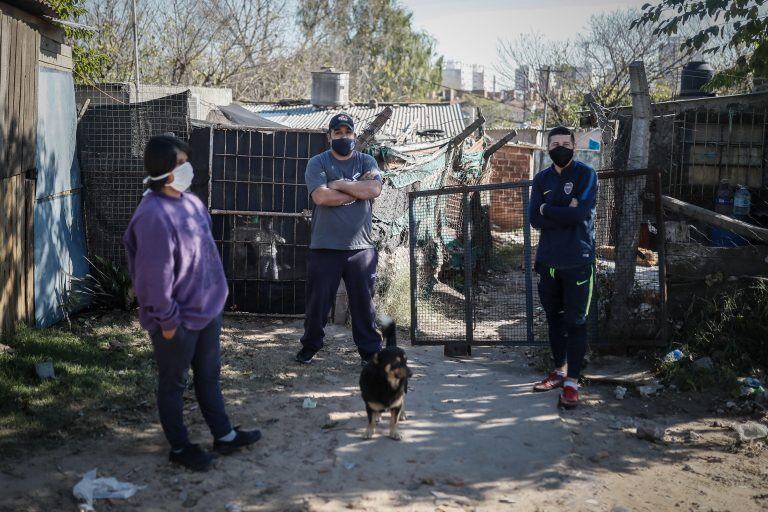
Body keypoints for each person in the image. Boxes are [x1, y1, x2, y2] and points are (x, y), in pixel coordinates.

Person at [123, 134, 260, 471]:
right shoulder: (152, 216)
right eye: (182, 164)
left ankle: (224, 436)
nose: (188, 169)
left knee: (209, 377)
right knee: (174, 384)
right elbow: (153, 279)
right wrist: (168, 324)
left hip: (207, 311)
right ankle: (180, 448)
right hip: (178, 321)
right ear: (166, 173)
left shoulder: (191, 202)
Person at [295, 113, 384, 365]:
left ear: (354, 136)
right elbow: (321, 198)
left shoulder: (366, 160)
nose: (343, 137)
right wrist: (357, 192)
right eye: (338, 133)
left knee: (364, 306)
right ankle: (310, 346)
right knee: (317, 305)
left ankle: (370, 352)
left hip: (361, 249)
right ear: (329, 137)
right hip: (325, 247)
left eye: (347, 132)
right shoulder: (318, 162)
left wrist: (338, 184)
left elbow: (374, 189)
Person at [528, 126, 598, 409]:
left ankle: (572, 383)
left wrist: (549, 209)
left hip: (578, 261)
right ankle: (559, 370)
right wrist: (560, 210)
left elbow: (581, 213)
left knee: (576, 322)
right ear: (548, 148)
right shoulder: (541, 178)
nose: (560, 147)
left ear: (574, 147)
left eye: (565, 143)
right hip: (548, 262)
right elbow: (535, 218)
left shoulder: (586, 175)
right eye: (554, 143)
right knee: (554, 320)